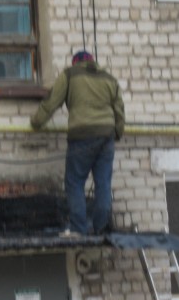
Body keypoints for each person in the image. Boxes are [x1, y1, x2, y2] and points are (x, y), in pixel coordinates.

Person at [30, 50, 125, 235]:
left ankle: (78, 229)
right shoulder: (109, 79)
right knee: (103, 183)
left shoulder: (70, 74)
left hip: (82, 135)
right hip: (106, 137)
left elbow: (52, 101)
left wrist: (36, 122)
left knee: (74, 182)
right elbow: (119, 110)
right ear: (93, 62)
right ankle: (102, 228)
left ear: (75, 63)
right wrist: (117, 133)